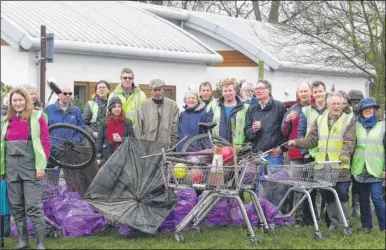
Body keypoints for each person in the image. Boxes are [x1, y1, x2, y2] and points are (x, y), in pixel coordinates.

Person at [288, 92, 356, 230]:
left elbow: (349, 140)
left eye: (339, 104)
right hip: (323, 166)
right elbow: (312, 140)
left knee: (342, 193)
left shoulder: (349, 120)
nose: (336, 106)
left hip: (340, 165)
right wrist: (296, 142)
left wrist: (345, 154)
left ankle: (344, 223)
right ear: (328, 105)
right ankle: (334, 223)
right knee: (328, 194)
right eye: (333, 104)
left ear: (343, 105)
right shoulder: (319, 120)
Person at [0, 88, 50, 249]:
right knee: (16, 205)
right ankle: (23, 241)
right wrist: (2, 170)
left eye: (20, 100)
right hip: (11, 168)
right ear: (10, 103)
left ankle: (40, 243)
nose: (18, 103)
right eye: (14, 100)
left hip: (31, 167)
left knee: (33, 206)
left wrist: (41, 166)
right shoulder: (5, 121)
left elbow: (45, 143)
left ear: (27, 101)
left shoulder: (37, 117)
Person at [45, 87, 98, 197]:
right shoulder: (49, 109)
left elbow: (81, 127)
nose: (68, 95)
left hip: (71, 150)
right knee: (52, 178)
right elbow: (45, 128)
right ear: (59, 95)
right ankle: (52, 199)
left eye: (70, 93)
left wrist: (76, 142)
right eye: (65, 93)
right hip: (54, 149)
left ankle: (72, 200)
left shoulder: (76, 110)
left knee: (72, 178)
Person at [245, 79, 287, 207]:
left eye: (261, 88)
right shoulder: (252, 109)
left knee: (275, 185)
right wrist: (252, 130)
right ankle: (259, 213)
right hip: (258, 154)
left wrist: (282, 148)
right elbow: (246, 132)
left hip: (274, 154)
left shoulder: (279, 107)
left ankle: (274, 213)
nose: (257, 91)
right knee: (259, 185)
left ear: (269, 90)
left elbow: (286, 130)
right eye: (256, 89)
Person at [351, 98, 385, 233]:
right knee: (363, 198)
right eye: (365, 108)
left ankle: (384, 227)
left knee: (377, 197)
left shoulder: (383, 125)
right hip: (360, 168)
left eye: (371, 108)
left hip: (376, 168)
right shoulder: (356, 125)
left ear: (375, 110)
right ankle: (367, 226)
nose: (368, 110)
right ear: (361, 111)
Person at [297, 80, 329, 220]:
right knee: (309, 189)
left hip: (327, 156)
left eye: (320, 91)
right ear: (312, 94)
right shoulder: (306, 110)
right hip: (310, 155)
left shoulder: (331, 109)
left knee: (327, 189)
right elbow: (301, 133)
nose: (318, 94)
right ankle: (309, 219)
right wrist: (303, 153)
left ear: (325, 92)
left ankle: (328, 218)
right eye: (315, 92)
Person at [281, 82, 312, 223]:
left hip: (312, 152)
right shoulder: (293, 109)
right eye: (301, 91)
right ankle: (298, 216)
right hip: (295, 153)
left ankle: (313, 216)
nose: (304, 94)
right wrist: (287, 121)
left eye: (306, 91)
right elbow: (284, 132)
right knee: (297, 185)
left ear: (310, 92)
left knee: (313, 187)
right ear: (297, 93)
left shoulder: (315, 108)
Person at [134, 79, 179, 149]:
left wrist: (173, 145)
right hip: (148, 148)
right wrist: (141, 145)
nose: (158, 92)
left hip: (166, 147)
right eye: (155, 90)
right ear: (150, 91)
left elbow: (175, 129)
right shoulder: (144, 106)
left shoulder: (172, 105)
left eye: (159, 89)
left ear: (163, 90)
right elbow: (138, 128)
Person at [95, 97, 134, 166]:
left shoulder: (127, 122)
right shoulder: (103, 122)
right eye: (114, 107)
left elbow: (132, 140)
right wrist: (98, 157)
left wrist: (121, 139)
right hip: (107, 158)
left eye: (119, 107)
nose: (117, 109)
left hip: (123, 158)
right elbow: (99, 140)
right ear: (110, 108)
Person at [211, 78, 249, 146]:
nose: (227, 93)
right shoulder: (214, 107)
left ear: (235, 91)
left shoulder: (245, 107)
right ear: (222, 92)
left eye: (230, 90)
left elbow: (249, 129)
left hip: (238, 149)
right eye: (225, 91)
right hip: (219, 148)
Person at [347, 89, 365, 218]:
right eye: (353, 102)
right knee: (346, 182)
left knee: (358, 183)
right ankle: (345, 208)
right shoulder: (346, 115)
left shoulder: (364, 115)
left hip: (359, 152)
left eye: (358, 102)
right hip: (348, 151)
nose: (356, 105)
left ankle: (356, 207)